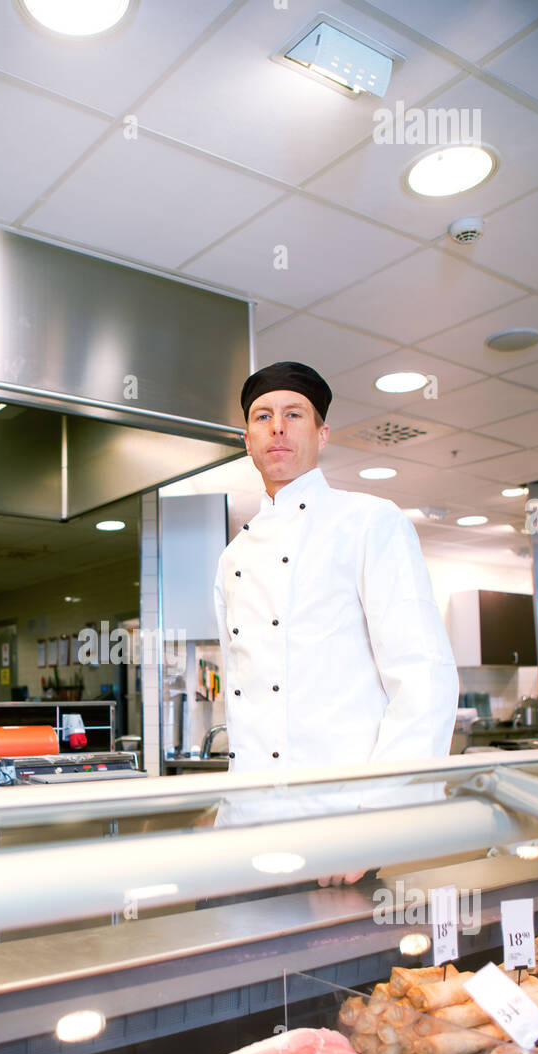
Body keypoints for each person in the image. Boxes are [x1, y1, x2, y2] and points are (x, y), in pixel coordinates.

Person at [212, 361, 459, 883]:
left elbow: (424, 678)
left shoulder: (370, 522)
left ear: (322, 435)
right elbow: (241, 695)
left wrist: (372, 825)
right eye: (263, 417)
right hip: (241, 834)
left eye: (294, 414)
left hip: (337, 837)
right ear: (247, 440)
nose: (278, 428)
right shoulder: (233, 557)